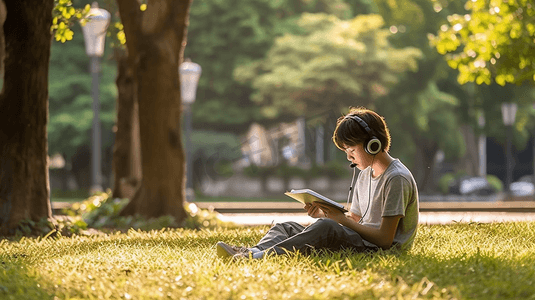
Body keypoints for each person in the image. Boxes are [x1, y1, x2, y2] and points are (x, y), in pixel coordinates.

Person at [216, 107, 419, 259]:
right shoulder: (365, 173)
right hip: (361, 240)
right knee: (286, 227)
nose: (349, 157)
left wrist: (338, 221)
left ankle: (258, 258)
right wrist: (326, 214)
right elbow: (355, 219)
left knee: (324, 228)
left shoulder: (396, 178)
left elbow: (385, 240)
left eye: (351, 150)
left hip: (380, 251)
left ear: (372, 145)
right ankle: (252, 251)